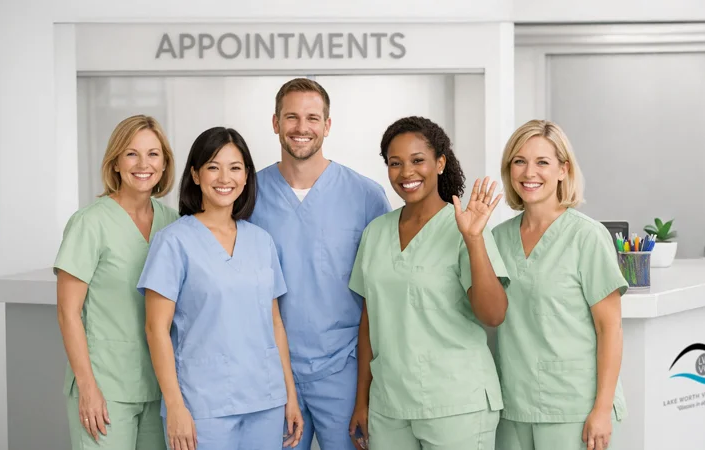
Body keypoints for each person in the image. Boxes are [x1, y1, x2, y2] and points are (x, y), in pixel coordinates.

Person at [136, 127, 304, 450]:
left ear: (245, 178)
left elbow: (275, 325)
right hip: (202, 406)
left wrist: (290, 396)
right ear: (196, 175)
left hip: (265, 400)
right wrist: (175, 407)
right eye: (213, 167)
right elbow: (156, 329)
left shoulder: (261, 241)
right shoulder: (173, 241)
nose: (224, 177)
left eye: (235, 168)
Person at [347, 116, 510, 450]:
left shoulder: (464, 226)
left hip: (456, 403)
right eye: (396, 163)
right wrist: (363, 400)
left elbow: (493, 314)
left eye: (418, 160)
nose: (407, 172)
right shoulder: (376, 232)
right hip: (389, 405)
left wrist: (474, 240)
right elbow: (369, 321)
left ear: (440, 163)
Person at [248, 78, 392, 450]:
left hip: (343, 370)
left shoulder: (365, 196)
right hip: (271, 370)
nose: (301, 127)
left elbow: (382, 290)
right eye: (291, 117)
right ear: (275, 122)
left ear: (327, 125)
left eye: (312, 117)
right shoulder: (247, 195)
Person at [491, 119, 628, 450]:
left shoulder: (587, 237)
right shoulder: (497, 238)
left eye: (542, 162)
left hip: (573, 408)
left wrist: (601, 410)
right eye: (519, 161)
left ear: (563, 170)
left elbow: (610, 329)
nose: (529, 172)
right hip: (512, 406)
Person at [54, 114, 179, 450]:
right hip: (105, 386)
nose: (144, 164)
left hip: (158, 386)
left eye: (153, 154)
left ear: (165, 163)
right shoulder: (89, 223)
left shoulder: (174, 224)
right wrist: (88, 387)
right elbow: (68, 313)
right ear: (116, 162)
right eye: (132, 153)